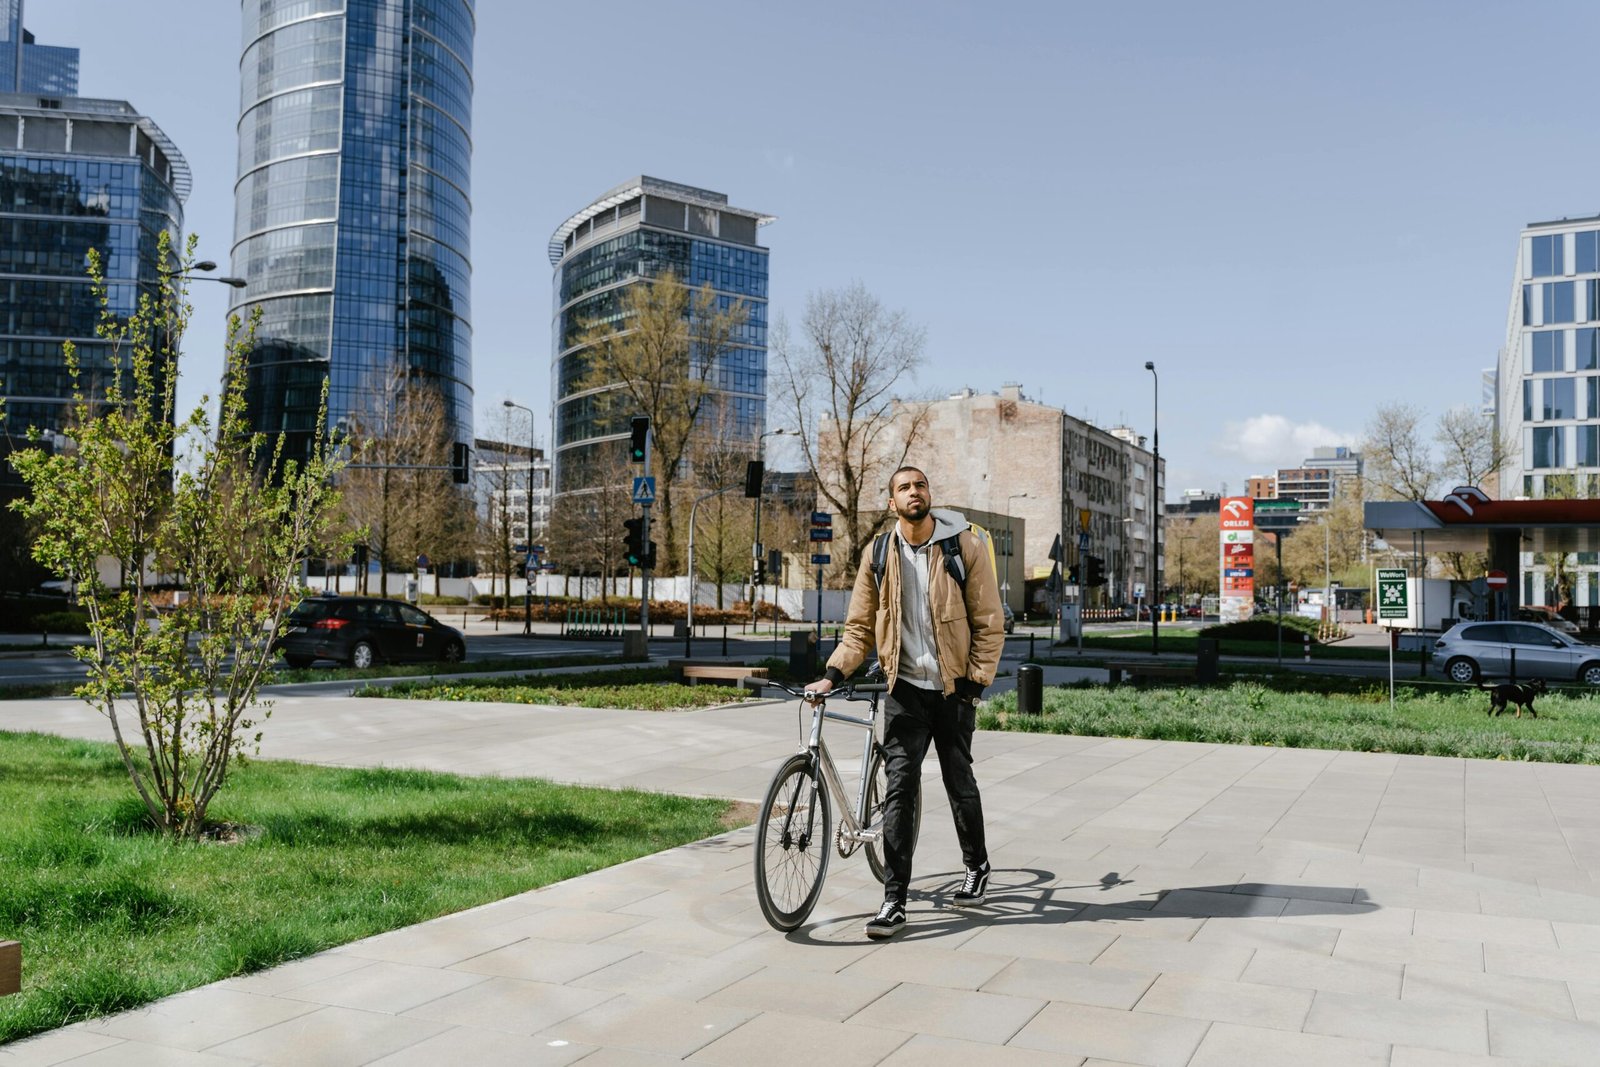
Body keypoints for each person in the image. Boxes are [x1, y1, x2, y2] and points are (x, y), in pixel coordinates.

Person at [805, 465, 1005, 939]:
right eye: (904, 488)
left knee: (959, 781)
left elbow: (989, 621)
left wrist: (975, 683)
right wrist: (832, 674)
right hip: (905, 690)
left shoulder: (964, 546)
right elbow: (859, 628)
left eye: (920, 485)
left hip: (954, 689)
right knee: (899, 790)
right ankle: (894, 900)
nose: (914, 492)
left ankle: (976, 865)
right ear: (891, 502)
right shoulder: (879, 553)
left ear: (928, 494)